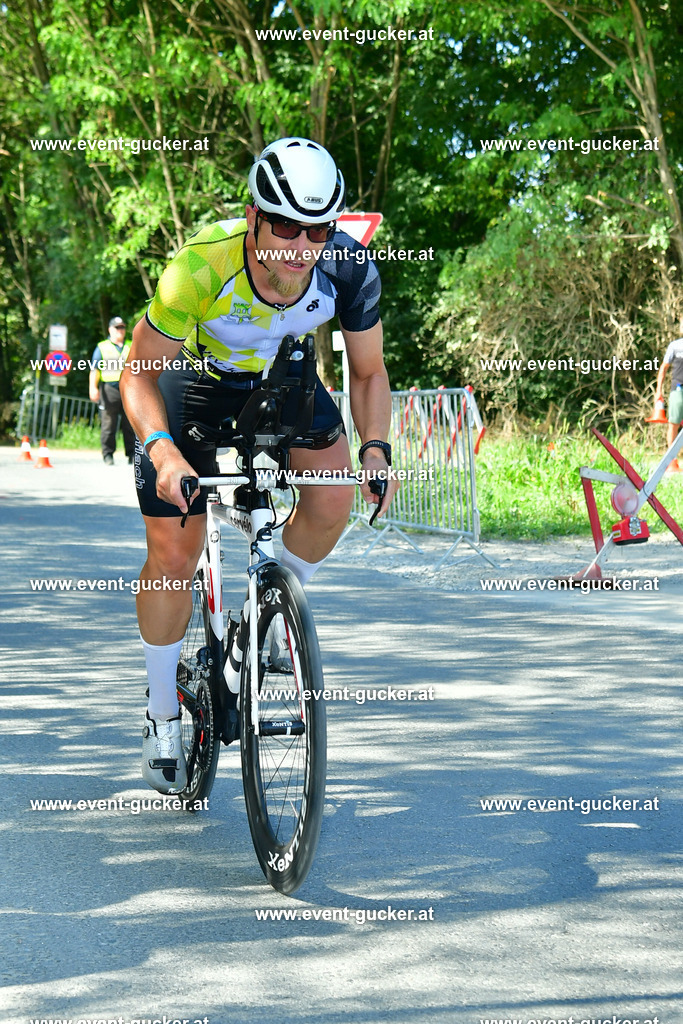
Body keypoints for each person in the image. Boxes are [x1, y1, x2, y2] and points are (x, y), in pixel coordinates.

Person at [120, 137, 399, 794]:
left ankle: (269, 612)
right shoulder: (199, 267)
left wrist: (375, 447)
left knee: (332, 496)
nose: (300, 247)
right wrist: (162, 450)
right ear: (253, 217)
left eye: (317, 231)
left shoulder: (348, 268)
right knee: (175, 551)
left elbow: (368, 371)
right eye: (284, 227)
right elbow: (138, 372)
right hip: (192, 384)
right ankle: (162, 709)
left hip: (279, 381)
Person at [89, 316, 136, 465]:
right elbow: (95, 369)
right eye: (117, 328)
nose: (120, 330)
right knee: (109, 424)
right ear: (110, 329)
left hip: (129, 390)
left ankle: (132, 455)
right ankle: (108, 454)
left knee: (130, 424)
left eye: (122, 327)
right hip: (109, 389)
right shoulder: (102, 347)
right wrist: (93, 387)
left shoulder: (131, 345)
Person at [653, 316, 683, 473]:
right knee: (674, 424)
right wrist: (659, 391)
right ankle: (671, 462)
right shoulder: (675, 346)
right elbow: (663, 369)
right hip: (678, 389)